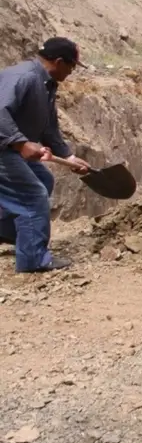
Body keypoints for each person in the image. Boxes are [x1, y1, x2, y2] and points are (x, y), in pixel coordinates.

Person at [0, 37, 92, 273]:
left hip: (9, 148)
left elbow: (48, 128)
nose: (72, 72)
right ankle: (33, 260)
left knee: (44, 180)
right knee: (32, 195)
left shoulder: (46, 84)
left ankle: (13, 234)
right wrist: (20, 143)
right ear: (59, 62)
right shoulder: (25, 78)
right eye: (71, 66)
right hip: (4, 149)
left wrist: (68, 158)